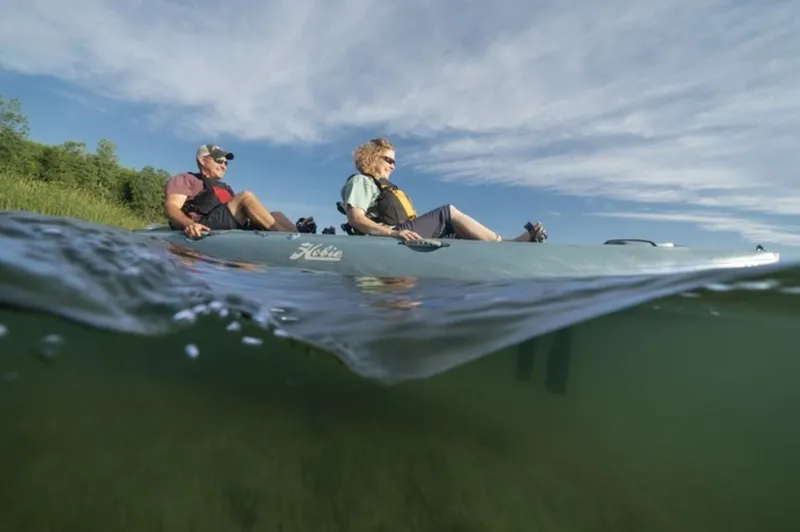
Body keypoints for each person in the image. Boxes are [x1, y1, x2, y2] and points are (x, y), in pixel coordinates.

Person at [338, 138, 547, 242]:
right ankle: (506, 245)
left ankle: (491, 251)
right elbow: (356, 219)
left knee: (453, 230)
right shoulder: (361, 181)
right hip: (392, 239)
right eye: (388, 160)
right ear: (373, 157)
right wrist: (394, 233)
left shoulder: (383, 186)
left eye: (394, 161)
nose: (393, 166)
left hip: (405, 234)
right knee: (447, 212)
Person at [164, 144, 316, 238]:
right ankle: (288, 241)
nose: (224, 165)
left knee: (276, 215)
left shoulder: (225, 187)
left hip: (229, 223)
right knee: (246, 196)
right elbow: (171, 207)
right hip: (205, 225)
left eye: (226, 163)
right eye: (219, 161)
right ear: (203, 160)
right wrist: (188, 225)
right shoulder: (185, 178)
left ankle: (303, 240)